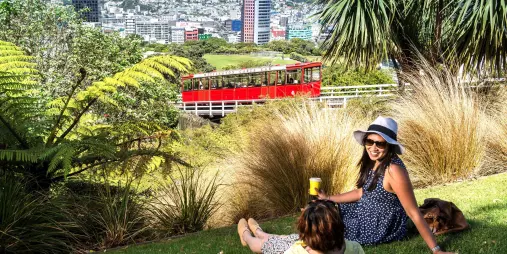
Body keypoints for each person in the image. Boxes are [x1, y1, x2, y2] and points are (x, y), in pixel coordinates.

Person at [316, 116, 454, 253]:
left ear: (390, 145)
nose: (373, 148)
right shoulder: (375, 161)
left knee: (327, 228)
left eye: (380, 144)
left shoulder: (394, 170)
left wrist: (436, 250)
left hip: (378, 226)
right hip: (367, 212)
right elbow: (362, 192)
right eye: (369, 142)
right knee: (325, 210)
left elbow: (413, 212)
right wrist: (328, 197)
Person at [237, 200, 364, 254]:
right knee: (279, 238)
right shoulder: (354, 247)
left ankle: (248, 234)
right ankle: (255, 232)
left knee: (263, 244)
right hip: (298, 244)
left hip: (296, 245)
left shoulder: (295, 251)